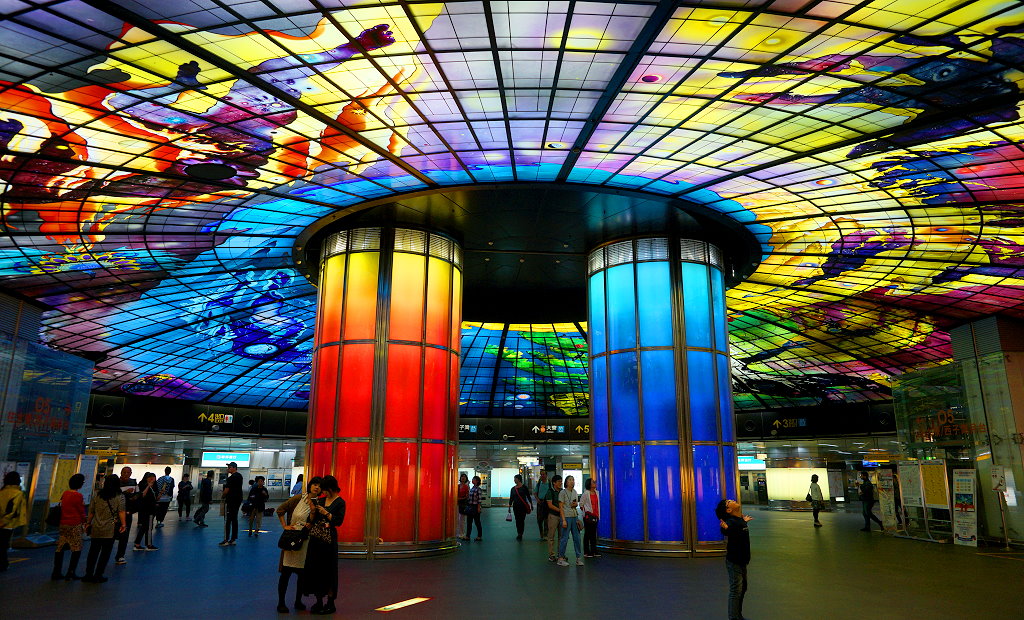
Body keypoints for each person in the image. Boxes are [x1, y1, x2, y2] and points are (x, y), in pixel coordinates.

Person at [276, 476, 321, 613]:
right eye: (314, 484)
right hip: (292, 539)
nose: (317, 487)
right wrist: (285, 525)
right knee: (286, 573)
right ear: (310, 485)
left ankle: (298, 600)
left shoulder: (319, 503)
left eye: (319, 486)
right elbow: (280, 510)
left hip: (306, 541)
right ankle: (281, 602)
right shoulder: (298, 499)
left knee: (302, 574)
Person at [304, 474, 345, 615]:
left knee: (329, 570)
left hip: (329, 541)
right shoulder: (320, 500)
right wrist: (313, 511)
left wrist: (326, 513)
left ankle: (330, 602)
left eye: (325, 490)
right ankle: (319, 600)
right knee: (316, 569)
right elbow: (312, 519)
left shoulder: (340, 502)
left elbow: (338, 521)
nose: (323, 492)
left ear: (331, 488)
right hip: (316, 539)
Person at [82, 474, 126, 583]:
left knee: (93, 552)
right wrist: (123, 524)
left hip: (96, 527)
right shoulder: (119, 496)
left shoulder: (97, 495)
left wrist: (88, 523)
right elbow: (121, 511)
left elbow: (91, 511)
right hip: (110, 528)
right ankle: (98, 575)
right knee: (105, 553)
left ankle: (88, 574)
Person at [717, 499, 753, 620]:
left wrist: (744, 521)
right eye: (729, 502)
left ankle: (738, 615)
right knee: (736, 590)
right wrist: (725, 528)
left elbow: (738, 528)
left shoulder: (739, 520)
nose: (732, 500)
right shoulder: (731, 522)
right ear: (729, 510)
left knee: (743, 588)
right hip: (734, 561)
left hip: (742, 559)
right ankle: (733, 617)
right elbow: (727, 529)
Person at [52, 473, 88, 580]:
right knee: (76, 547)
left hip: (63, 522)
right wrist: (85, 521)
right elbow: (81, 511)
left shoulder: (65, 493)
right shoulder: (78, 496)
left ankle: (56, 571)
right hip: (75, 523)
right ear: (80, 484)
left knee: (60, 546)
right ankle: (71, 572)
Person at [0, 471, 27, 572]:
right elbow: (13, 511)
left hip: (2, 521)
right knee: (3, 545)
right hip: (8, 524)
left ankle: (4, 563)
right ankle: (3, 564)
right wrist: (3, 522)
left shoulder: (2, 492)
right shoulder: (18, 494)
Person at [557, 474, 583, 567]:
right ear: (566, 482)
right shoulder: (562, 492)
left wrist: (575, 504)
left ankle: (578, 558)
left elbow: (576, 503)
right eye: (570, 480)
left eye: (573, 480)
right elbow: (561, 507)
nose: (572, 481)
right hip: (566, 517)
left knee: (577, 538)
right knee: (564, 538)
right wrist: (563, 520)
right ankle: (560, 558)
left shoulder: (575, 492)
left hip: (574, 516)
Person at [114, 467, 137, 565]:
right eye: (124, 472)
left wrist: (135, 497)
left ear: (131, 473)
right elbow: (114, 496)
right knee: (113, 534)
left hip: (127, 512)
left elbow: (138, 494)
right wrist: (125, 492)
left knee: (125, 535)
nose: (126, 474)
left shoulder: (134, 482)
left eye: (128, 472)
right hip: (116, 513)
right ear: (121, 472)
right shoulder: (116, 483)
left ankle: (120, 555)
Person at [133, 472, 158, 551]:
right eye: (150, 477)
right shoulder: (143, 485)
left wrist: (160, 493)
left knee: (144, 527)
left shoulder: (155, 486)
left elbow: (156, 498)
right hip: (148, 509)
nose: (152, 479)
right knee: (149, 527)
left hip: (150, 509)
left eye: (153, 478)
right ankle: (149, 545)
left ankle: (137, 544)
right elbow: (142, 495)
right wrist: (148, 486)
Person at [220, 462, 243, 546]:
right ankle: (233, 539)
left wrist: (223, 496)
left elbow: (226, 490)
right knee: (234, 519)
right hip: (238, 500)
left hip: (231, 500)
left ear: (234, 468)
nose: (228, 469)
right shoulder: (240, 476)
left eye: (229, 467)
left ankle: (226, 539)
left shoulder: (231, 478)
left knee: (228, 520)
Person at [579, 477, 601, 558]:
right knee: (587, 534)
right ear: (589, 484)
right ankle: (586, 552)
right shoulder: (586, 493)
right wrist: (586, 512)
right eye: (593, 482)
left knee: (593, 534)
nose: (595, 483)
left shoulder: (597, 492)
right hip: (588, 516)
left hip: (595, 515)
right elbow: (581, 504)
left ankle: (594, 551)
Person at [508, 474, 532, 541]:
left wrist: (531, 504)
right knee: (517, 520)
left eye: (515, 479)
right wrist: (509, 505)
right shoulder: (513, 489)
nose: (514, 480)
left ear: (518, 479)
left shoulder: (524, 488)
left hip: (523, 507)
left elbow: (528, 496)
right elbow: (511, 498)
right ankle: (519, 533)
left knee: (522, 520)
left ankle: (521, 532)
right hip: (516, 507)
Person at [544, 474, 563, 562]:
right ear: (554, 483)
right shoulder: (550, 492)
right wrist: (560, 510)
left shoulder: (562, 491)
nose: (560, 483)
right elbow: (550, 505)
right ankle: (551, 555)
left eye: (561, 481)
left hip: (561, 516)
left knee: (561, 536)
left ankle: (560, 554)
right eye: (558, 481)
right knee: (551, 536)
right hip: (553, 516)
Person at [465, 475, 483, 541]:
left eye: (473, 479)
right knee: (469, 522)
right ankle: (467, 536)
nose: (472, 480)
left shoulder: (478, 489)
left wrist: (478, 508)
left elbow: (479, 500)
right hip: (470, 506)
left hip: (475, 507)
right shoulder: (472, 488)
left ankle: (479, 536)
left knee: (477, 522)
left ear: (477, 481)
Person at [534, 469, 550, 540]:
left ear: (546, 475)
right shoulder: (539, 483)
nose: (542, 476)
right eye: (541, 474)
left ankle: (546, 534)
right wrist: (537, 499)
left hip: (547, 503)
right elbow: (535, 492)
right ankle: (541, 533)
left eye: (544, 474)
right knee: (539, 519)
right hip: (540, 502)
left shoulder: (549, 483)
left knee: (547, 519)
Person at [456, 473, 470, 541]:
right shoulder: (458, 486)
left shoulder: (466, 487)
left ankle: (462, 534)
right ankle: (458, 533)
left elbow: (467, 496)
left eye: (464, 477)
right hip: (457, 504)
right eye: (462, 476)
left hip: (463, 504)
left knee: (462, 520)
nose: (463, 478)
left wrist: (460, 498)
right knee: (457, 520)